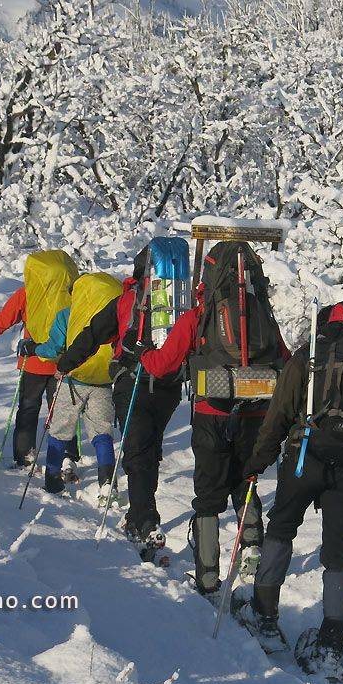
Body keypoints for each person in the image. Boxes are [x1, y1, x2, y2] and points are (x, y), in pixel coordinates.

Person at [240, 299, 343, 682]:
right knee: (339, 553)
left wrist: (255, 463)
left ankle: (264, 616)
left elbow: (279, 413)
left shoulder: (311, 356)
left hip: (304, 457)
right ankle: (330, 645)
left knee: (281, 529)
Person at [133, 240, 289, 598]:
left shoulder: (198, 315)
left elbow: (162, 365)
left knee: (208, 494)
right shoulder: (262, 313)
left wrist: (142, 353)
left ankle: (206, 575)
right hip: (256, 411)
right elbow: (285, 358)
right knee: (246, 478)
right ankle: (251, 544)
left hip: (212, 412)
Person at [56, 243, 184, 558]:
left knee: (137, 454)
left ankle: (144, 521)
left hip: (132, 382)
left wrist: (66, 363)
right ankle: (141, 514)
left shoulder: (126, 300)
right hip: (168, 386)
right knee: (149, 449)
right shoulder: (179, 303)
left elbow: (92, 334)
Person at [0, 251, 80, 472]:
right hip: (66, 362)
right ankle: (67, 456)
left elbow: (4, 319)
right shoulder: (73, 294)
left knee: (28, 409)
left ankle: (24, 456)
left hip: (33, 362)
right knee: (62, 411)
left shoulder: (28, 294)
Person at [18, 272, 123, 498]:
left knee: (60, 429)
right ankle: (107, 484)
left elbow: (53, 349)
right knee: (102, 432)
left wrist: (33, 349)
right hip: (104, 380)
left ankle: (53, 480)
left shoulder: (68, 315)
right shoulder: (114, 315)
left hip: (72, 379)